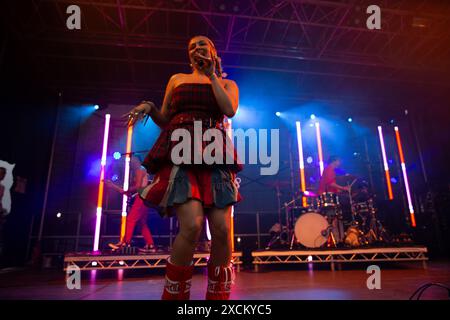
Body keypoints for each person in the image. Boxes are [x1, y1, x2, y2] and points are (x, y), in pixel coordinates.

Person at [125, 35, 241, 300]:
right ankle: (175, 298)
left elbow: (229, 110)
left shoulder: (227, 83)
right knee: (191, 225)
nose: (197, 48)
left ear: (212, 50)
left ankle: (219, 299)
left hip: (214, 152)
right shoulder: (177, 79)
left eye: (202, 44)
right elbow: (166, 118)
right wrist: (150, 107)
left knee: (222, 229)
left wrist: (212, 76)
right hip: (181, 150)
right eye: (192, 47)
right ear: (189, 56)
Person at [106, 156, 156, 253]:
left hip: (141, 198)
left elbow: (137, 187)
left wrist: (114, 186)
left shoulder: (140, 170)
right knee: (142, 223)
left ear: (137, 161)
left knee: (130, 220)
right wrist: (113, 186)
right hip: (144, 198)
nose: (130, 162)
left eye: (132, 160)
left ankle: (125, 243)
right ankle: (150, 245)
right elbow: (127, 191)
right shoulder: (141, 170)